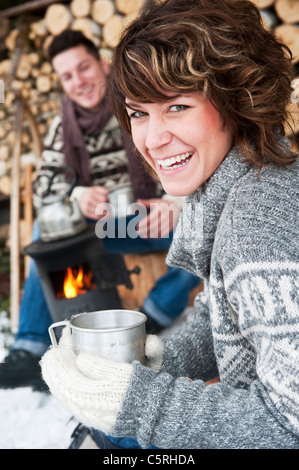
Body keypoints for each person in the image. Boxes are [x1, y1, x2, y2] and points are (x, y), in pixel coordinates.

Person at [41, 0, 299, 449]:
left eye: (177, 106)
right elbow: (231, 311)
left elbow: (286, 425)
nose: (152, 139)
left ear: (239, 96)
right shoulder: (247, 177)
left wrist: (139, 401)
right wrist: (163, 360)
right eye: (139, 113)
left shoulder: (255, 227)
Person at [0, 30, 200, 391]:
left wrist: (175, 204)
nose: (79, 82)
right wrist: (77, 195)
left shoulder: (138, 103)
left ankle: (151, 317)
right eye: (68, 76)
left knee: (201, 223)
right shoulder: (63, 127)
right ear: (61, 82)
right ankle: (30, 345)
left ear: (103, 64)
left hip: (147, 216)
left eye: (84, 68)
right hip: (98, 228)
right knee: (41, 236)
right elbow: (43, 187)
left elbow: (189, 160)